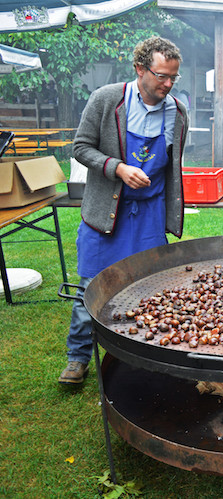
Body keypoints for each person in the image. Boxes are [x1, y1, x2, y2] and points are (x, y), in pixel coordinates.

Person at [58, 36, 189, 384]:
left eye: (173, 77)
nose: (168, 84)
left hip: (149, 214)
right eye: (161, 76)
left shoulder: (177, 111)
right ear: (140, 69)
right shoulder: (106, 100)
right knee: (92, 286)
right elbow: (80, 148)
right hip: (107, 213)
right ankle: (78, 357)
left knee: (151, 288)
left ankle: (142, 357)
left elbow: (172, 165)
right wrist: (117, 168)